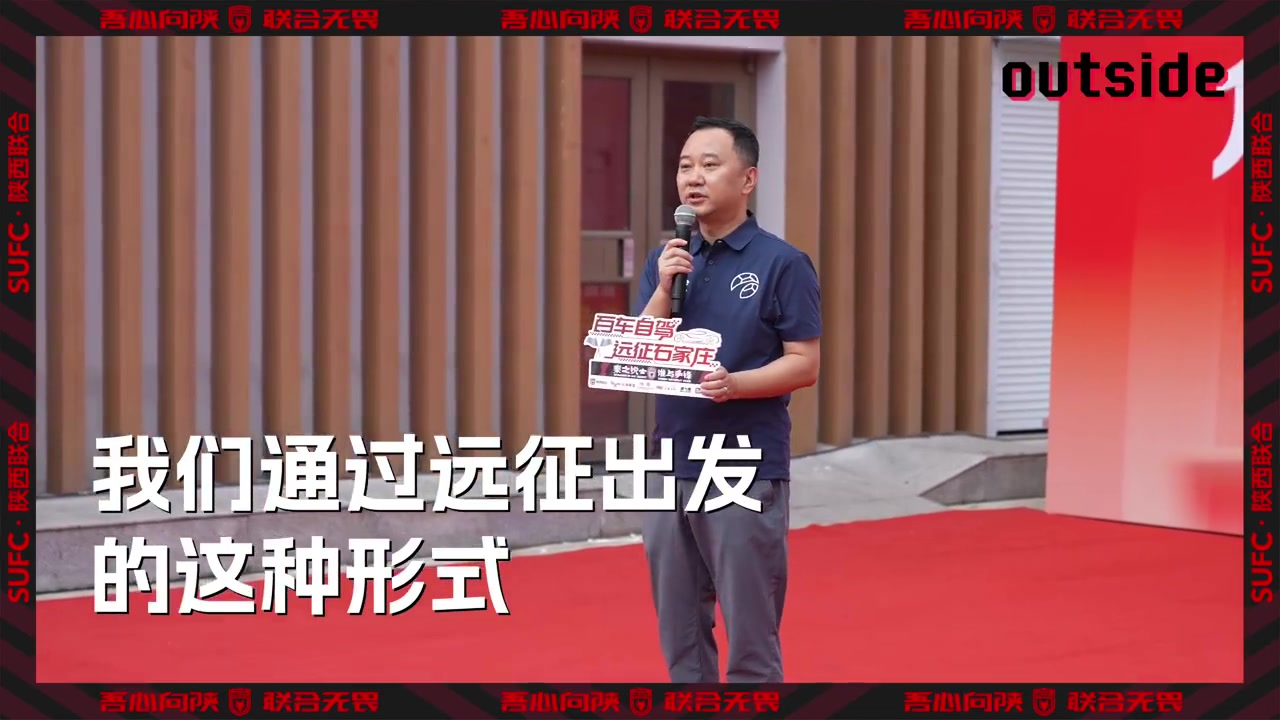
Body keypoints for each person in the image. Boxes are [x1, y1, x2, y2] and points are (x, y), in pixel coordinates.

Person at [632, 116, 822, 683]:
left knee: (750, 633)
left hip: (742, 464)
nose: (693, 177)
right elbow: (639, 353)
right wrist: (664, 287)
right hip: (669, 463)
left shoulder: (782, 263)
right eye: (685, 166)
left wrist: (736, 383)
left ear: (747, 179)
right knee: (681, 633)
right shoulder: (667, 259)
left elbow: (804, 363)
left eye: (710, 165)